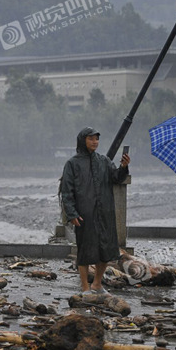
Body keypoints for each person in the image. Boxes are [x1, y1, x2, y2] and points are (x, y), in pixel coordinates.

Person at [60, 126, 130, 293]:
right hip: (84, 214)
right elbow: (66, 190)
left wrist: (124, 167)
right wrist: (71, 213)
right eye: (91, 139)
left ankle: (97, 284)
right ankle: (85, 287)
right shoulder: (72, 164)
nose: (95, 142)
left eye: (97, 139)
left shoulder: (104, 161)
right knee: (85, 250)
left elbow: (117, 178)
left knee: (106, 249)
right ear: (83, 141)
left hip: (105, 212)